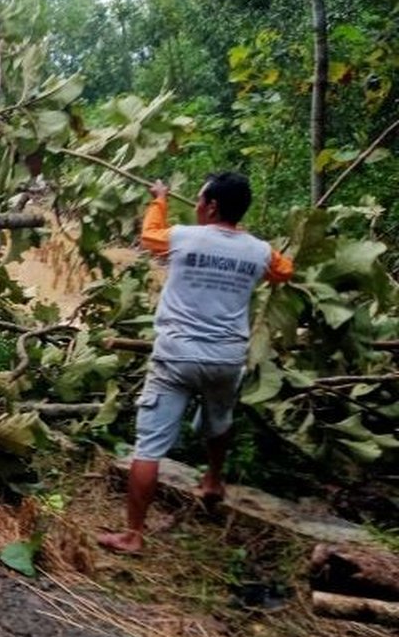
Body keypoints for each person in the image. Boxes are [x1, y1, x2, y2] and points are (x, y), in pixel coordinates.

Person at [99, 173, 294, 554]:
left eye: (202, 200)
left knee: (149, 446)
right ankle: (212, 481)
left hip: (176, 356)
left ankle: (133, 535)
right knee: (219, 421)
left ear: (212, 206)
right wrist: (244, 245)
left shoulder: (183, 237)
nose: (199, 205)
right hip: (227, 357)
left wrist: (159, 198)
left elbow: (149, 236)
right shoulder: (259, 250)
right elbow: (284, 272)